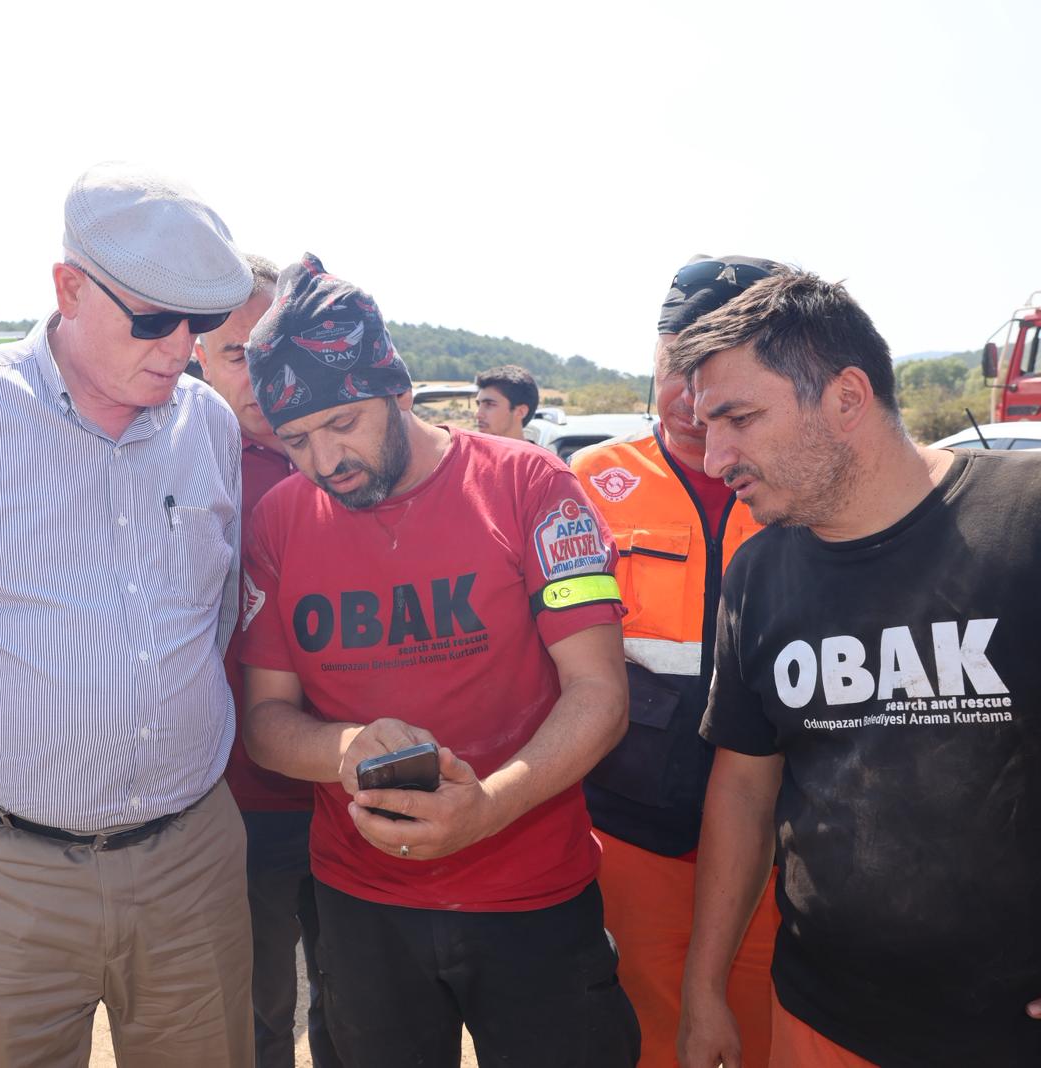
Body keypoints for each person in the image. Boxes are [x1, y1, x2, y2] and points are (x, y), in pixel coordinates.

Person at [0, 161, 257, 1067]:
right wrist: (3, 741)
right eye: (152, 319)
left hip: (191, 864)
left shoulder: (210, 427)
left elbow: (212, 621)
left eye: (204, 324)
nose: (181, 347)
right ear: (68, 287)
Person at [239, 253, 641, 1068]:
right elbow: (266, 725)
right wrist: (345, 747)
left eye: (342, 424)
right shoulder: (281, 520)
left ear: (398, 388)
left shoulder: (529, 484)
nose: (324, 463)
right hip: (360, 909)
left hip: (532, 895)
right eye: (296, 439)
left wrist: (488, 806)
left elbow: (600, 694)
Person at [668, 269, 1041, 1068]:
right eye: (708, 425)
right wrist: (704, 989)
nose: (716, 456)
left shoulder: (1028, 517)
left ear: (844, 398)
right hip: (821, 1017)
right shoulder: (758, 574)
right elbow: (742, 788)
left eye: (739, 418)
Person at [568, 256, 781, 1068]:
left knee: (768, 1033)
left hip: (779, 843)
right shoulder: (585, 485)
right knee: (647, 1039)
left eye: (721, 374)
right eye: (675, 369)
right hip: (628, 840)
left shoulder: (813, 492)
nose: (695, 401)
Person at [193, 254, 340, 1068]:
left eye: (272, 348)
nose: (257, 375)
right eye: (233, 354)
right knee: (252, 1019)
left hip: (351, 797)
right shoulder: (178, 463)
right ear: (200, 359)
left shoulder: (352, 461)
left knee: (356, 1010)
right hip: (232, 803)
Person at [474, 363, 538, 439]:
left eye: (489, 404)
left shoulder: (536, 451)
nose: (478, 415)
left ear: (521, 411)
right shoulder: (466, 450)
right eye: (478, 404)